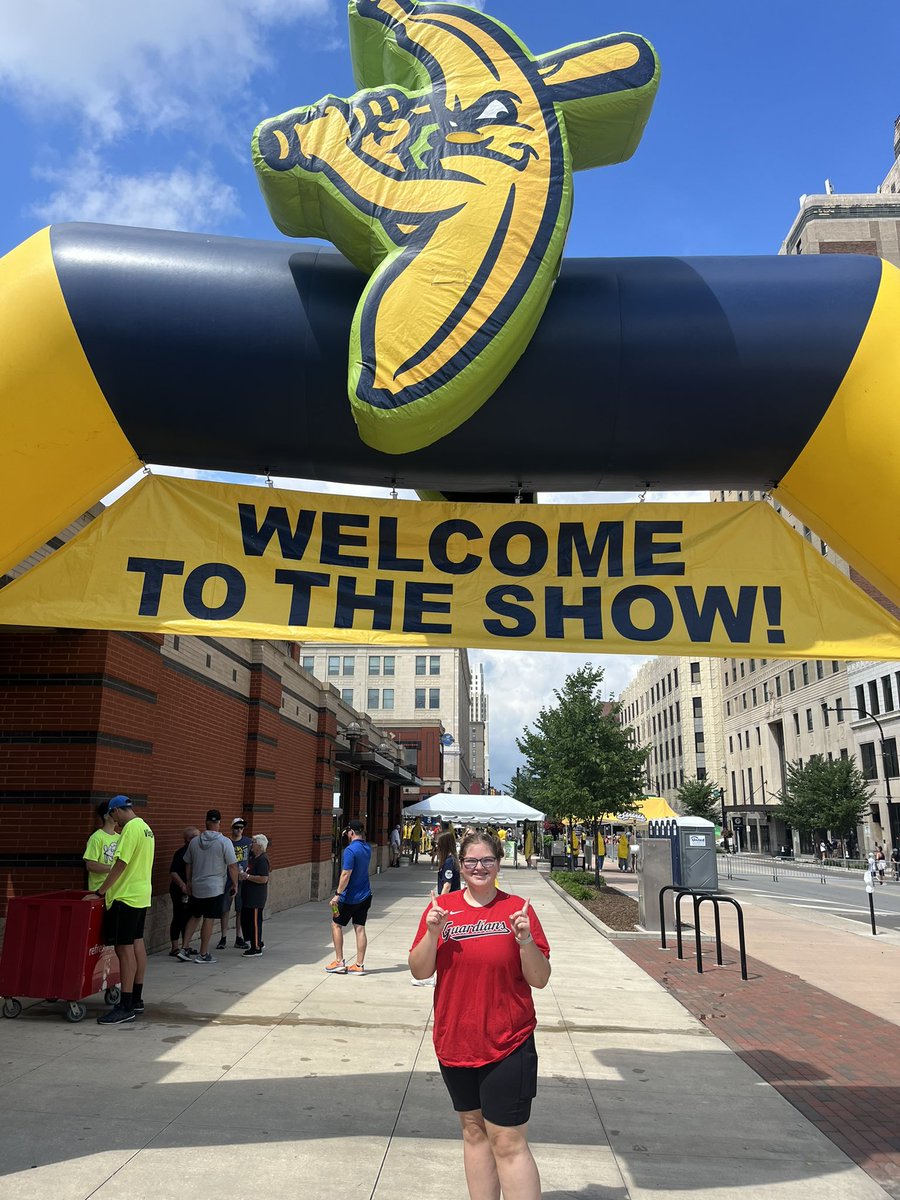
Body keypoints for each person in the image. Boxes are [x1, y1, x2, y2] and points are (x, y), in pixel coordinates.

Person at [409, 830, 551, 1200]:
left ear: (498, 863)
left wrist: (524, 942)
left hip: (508, 1042)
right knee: (473, 1131)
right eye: (470, 861)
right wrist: (431, 932)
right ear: (460, 864)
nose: (479, 867)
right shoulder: (442, 909)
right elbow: (419, 971)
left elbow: (540, 979)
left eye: (487, 860)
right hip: (455, 1041)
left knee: (507, 1140)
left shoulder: (518, 910)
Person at [85, 795, 155, 1025]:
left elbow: (121, 863)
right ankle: (135, 998)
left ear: (116, 811)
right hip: (141, 895)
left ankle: (125, 1006)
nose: (115, 821)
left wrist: (101, 891)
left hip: (125, 897)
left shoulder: (130, 830)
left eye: (114, 816)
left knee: (123, 950)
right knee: (136, 945)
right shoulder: (146, 828)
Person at [177, 809, 238, 964]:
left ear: (206, 822)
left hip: (197, 886)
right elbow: (232, 866)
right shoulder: (224, 842)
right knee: (209, 918)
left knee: (195, 916)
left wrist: (189, 882)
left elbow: (188, 863)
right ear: (219, 823)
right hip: (214, 887)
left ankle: (184, 948)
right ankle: (203, 954)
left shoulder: (194, 841)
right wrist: (235, 884)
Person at [326, 820, 372, 975]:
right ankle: (359, 965)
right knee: (360, 928)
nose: (346, 835)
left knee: (336, 925)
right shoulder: (367, 848)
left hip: (349, 897)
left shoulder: (350, 850)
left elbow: (346, 874)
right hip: (365, 895)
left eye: (347, 833)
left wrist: (337, 895)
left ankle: (339, 961)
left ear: (351, 832)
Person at [218, 818, 253, 949]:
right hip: (228, 880)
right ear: (232, 828)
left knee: (240, 909)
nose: (239, 830)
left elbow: (252, 858)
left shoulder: (248, 842)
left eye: (241, 828)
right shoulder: (226, 842)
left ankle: (239, 937)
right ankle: (223, 937)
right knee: (225, 909)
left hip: (242, 880)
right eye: (236, 827)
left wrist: (249, 872)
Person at [168, 825, 199, 957]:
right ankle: (175, 947)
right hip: (179, 890)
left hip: (192, 890)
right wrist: (183, 886)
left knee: (189, 918)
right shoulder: (181, 853)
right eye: (197, 836)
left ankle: (185, 945)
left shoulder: (197, 852)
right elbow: (173, 872)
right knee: (178, 917)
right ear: (189, 839)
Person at [239, 834, 270, 955]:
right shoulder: (253, 858)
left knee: (255, 922)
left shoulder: (262, 859)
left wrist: (248, 877)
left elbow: (264, 879)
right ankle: (254, 940)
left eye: (254, 842)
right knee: (247, 920)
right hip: (248, 895)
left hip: (256, 897)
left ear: (260, 845)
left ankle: (256, 947)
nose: (251, 844)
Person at [83, 800, 118, 894]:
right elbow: (91, 865)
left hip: (116, 890)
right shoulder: (96, 837)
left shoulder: (120, 837)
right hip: (99, 890)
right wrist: (116, 868)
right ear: (106, 816)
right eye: (114, 812)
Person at [436, 829, 460, 895]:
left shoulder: (449, 862)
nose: (436, 846)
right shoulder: (451, 860)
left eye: (438, 844)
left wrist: (440, 902)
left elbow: (447, 886)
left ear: (444, 845)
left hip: (449, 899)